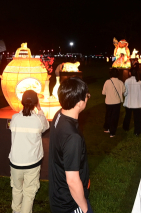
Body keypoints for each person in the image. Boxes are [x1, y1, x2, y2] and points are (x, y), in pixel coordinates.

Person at [48, 77, 93, 213]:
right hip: (70, 203)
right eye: (87, 96)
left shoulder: (59, 115)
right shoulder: (72, 137)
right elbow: (72, 180)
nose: (88, 98)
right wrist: (85, 208)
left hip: (58, 192)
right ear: (79, 103)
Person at [9, 90, 50, 213]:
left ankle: (16, 211)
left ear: (22, 102)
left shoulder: (15, 118)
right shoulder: (39, 120)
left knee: (16, 189)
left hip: (15, 162)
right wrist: (40, 109)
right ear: (36, 103)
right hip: (32, 163)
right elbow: (46, 125)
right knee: (29, 192)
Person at [102, 68, 125, 137]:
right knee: (115, 117)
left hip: (108, 101)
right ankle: (112, 132)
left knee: (108, 115)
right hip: (117, 102)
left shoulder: (107, 82)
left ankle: (107, 128)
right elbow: (124, 91)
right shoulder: (120, 82)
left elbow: (103, 92)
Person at [123, 67, 141, 136]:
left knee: (127, 116)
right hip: (137, 103)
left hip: (129, 102)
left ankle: (125, 128)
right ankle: (137, 131)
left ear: (130, 73)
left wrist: (125, 94)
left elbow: (125, 92)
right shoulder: (139, 81)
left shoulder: (127, 81)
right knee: (137, 118)